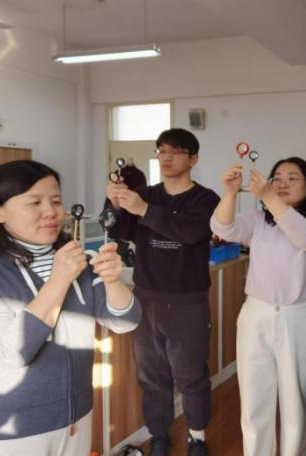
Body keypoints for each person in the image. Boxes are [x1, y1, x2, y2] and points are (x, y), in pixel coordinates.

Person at [0, 160, 140, 455]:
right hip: (6, 431)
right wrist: (59, 280)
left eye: (56, 200)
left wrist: (113, 281)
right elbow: (10, 353)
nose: (50, 211)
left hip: (75, 420)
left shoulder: (77, 260)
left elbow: (126, 322)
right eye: (34, 202)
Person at [210, 156, 306, 456]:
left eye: (292, 178)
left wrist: (269, 197)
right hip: (256, 313)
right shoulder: (258, 220)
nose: (282, 183)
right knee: (254, 403)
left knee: (294, 404)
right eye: (277, 178)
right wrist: (230, 193)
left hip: (298, 316)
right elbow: (222, 228)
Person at [105, 128, 219, 456]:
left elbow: (192, 232)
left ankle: (197, 437)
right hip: (147, 298)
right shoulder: (146, 195)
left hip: (188, 300)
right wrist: (114, 202)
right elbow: (116, 229)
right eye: (161, 151)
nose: (166, 157)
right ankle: (159, 435)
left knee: (190, 374)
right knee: (152, 375)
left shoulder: (205, 199)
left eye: (175, 151)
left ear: (193, 159)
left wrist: (143, 209)